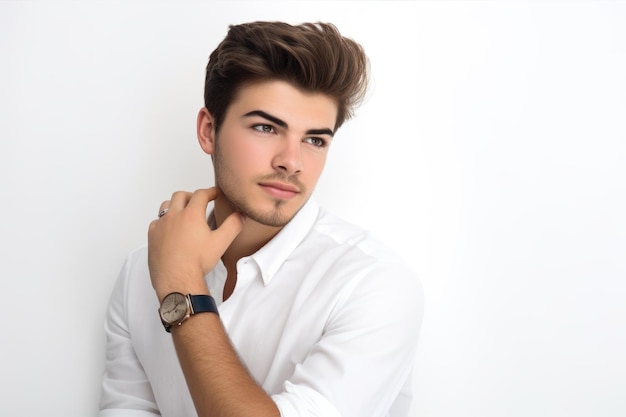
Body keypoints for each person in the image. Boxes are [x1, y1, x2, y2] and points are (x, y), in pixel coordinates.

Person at [99, 21, 424, 417]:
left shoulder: (373, 284)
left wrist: (181, 286)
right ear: (208, 130)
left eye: (314, 139)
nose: (292, 161)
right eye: (266, 127)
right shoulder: (140, 270)